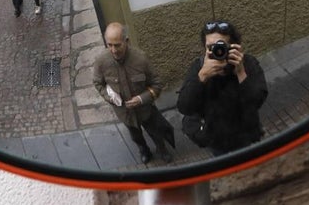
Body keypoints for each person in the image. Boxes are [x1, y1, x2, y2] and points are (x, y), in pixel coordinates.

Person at [177, 20, 268, 156]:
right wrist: (202, 77)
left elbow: (257, 101)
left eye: (221, 47)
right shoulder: (199, 68)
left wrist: (241, 72)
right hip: (218, 140)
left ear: (234, 47)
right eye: (210, 47)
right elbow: (185, 107)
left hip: (246, 135)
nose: (217, 52)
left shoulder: (248, 64)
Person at [92, 22, 175, 164]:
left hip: (145, 110)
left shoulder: (141, 59)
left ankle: (162, 149)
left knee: (155, 132)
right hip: (125, 113)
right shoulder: (101, 62)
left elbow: (157, 84)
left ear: (127, 41)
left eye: (117, 45)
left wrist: (142, 99)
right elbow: (98, 83)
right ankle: (144, 150)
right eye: (109, 45)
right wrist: (109, 97)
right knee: (136, 136)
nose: (113, 50)